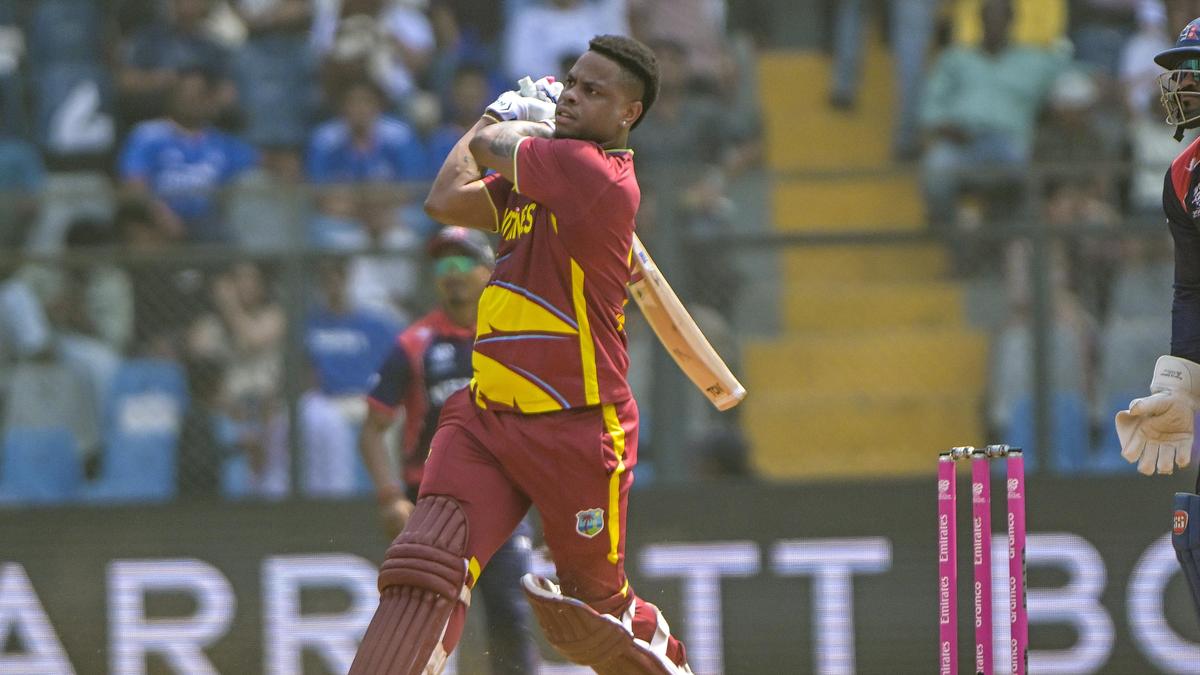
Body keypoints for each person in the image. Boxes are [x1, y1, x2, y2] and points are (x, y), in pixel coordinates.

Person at [350, 35, 694, 674]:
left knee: (592, 612)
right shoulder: (540, 174)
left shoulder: (596, 176)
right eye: (573, 83)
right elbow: (445, 199)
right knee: (423, 573)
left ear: (629, 114)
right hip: (486, 417)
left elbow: (487, 148)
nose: (572, 97)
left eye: (594, 91)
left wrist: (503, 118)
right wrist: (500, 120)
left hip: (579, 427)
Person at [359, 226, 538, 674]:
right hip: (432, 500)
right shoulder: (414, 344)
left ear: (489, 270)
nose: (451, 273)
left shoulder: (517, 337)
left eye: (462, 262)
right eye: (443, 264)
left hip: (503, 496)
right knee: (420, 617)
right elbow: (373, 428)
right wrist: (390, 497)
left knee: (510, 611)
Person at [1114, 14, 1200, 620]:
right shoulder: (1183, 175)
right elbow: (1192, 290)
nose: (1184, 84)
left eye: (1195, 70)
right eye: (1182, 73)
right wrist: (1180, 386)